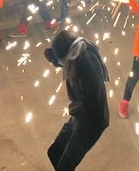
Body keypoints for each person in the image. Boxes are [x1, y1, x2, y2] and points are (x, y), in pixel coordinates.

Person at [44, 30, 109, 170]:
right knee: (54, 152)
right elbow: (62, 61)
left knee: (65, 166)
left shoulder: (86, 64)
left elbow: (93, 101)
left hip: (92, 121)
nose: (61, 64)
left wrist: (73, 109)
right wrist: (51, 56)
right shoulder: (75, 52)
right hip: (79, 116)